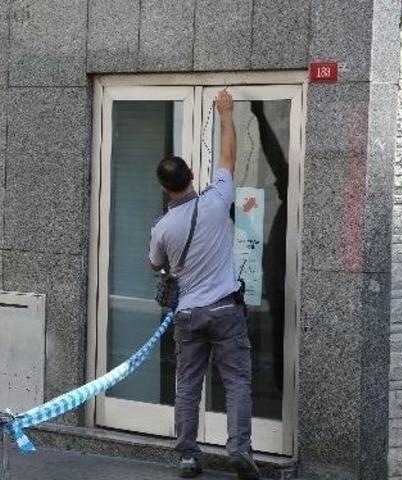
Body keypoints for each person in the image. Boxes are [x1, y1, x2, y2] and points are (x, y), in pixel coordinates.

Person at [148, 90, 260, 480]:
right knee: (237, 382)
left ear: (165, 188)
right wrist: (227, 114)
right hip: (226, 310)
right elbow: (228, 157)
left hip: (189, 314)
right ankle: (240, 450)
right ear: (192, 177)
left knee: (188, 385)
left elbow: (154, 264)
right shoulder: (215, 201)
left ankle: (188, 457)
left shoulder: (163, 228)